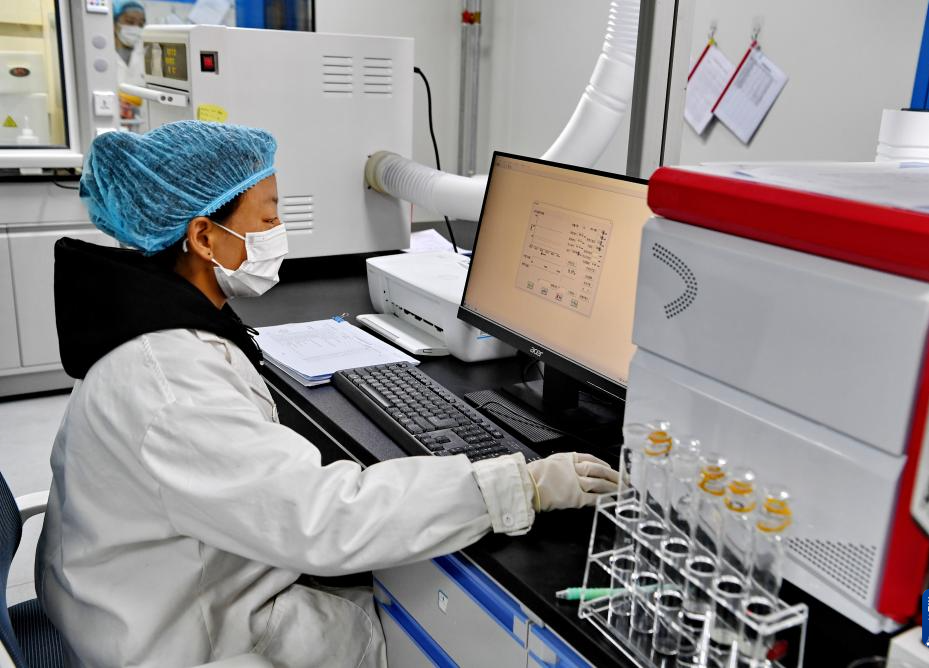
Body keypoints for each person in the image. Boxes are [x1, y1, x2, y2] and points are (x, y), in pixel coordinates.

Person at [36, 120, 619, 668]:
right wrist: (518, 485)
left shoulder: (152, 327)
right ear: (204, 236)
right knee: (420, 613)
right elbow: (322, 521)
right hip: (179, 638)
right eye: (268, 216)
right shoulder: (171, 384)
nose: (279, 232)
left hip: (148, 591)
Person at [113, 0, 146, 128]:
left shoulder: (146, 54)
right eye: (130, 22)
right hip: (111, 124)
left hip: (141, 127)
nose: (136, 28)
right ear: (115, 23)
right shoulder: (104, 54)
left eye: (141, 24)